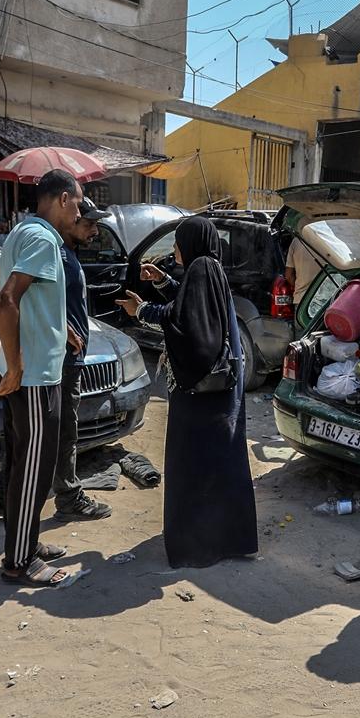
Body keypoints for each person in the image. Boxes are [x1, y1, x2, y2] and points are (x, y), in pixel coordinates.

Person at [116, 217, 257, 567]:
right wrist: (163, 281)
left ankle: (198, 547)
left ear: (191, 244)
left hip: (200, 398)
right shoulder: (208, 267)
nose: (175, 249)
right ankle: (229, 541)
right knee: (220, 467)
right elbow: (192, 305)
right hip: (217, 395)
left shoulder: (201, 269)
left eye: (178, 243)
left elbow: (188, 322)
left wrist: (142, 310)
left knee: (193, 470)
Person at [0, 199, 113, 522]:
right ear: (65, 210)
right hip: (53, 363)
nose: (92, 228)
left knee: (26, 438)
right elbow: (8, 298)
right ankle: (64, 497)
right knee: (56, 436)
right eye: (84, 219)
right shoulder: (49, 248)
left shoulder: (30, 242)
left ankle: (2, 496)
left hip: (41, 361)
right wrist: (62, 332)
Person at [0, 169, 81, 587]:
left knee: (27, 462)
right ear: (61, 199)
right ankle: (20, 562)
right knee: (33, 468)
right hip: (34, 377)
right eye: (77, 201)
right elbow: (4, 299)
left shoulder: (23, 233)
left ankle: (28, 543)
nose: (78, 211)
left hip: (32, 371)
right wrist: (15, 363)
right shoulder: (41, 239)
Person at [285, 238, 340, 319]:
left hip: (302, 302)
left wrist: (300, 286)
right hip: (328, 301)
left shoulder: (296, 241)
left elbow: (289, 276)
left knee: (302, 331)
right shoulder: (332, 240)